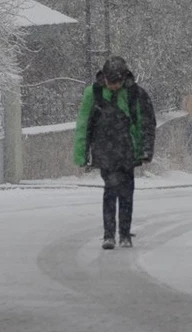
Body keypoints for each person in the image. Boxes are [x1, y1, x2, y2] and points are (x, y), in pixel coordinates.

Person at [74, 57, 156, 250]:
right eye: (110, 83)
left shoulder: (136, 94)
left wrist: (146, 150)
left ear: (123, 78)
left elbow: (147, 124)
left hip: (128, 150)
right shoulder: (93, 94)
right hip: (105, 150)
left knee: (127, 193)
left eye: (116, 83)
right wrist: (81, 154)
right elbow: (83, 125)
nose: (113, 87)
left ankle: (125, 234)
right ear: (105, 79)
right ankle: (109, 235)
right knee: (110, 190)